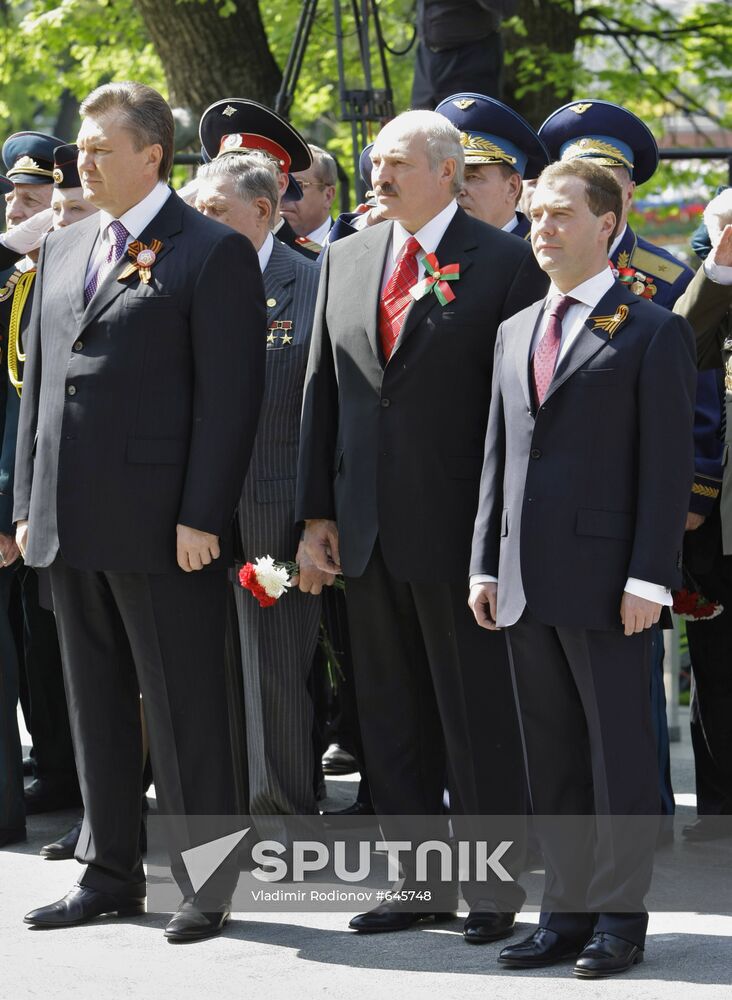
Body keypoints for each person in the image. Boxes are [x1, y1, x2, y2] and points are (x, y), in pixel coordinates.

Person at [15, 82, 266, 943]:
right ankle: (110, 870)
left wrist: (202, 514)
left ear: (153, 154)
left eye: (97, 148)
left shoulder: (209, 250)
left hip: (167, 527)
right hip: (69, 521)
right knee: (95, 703)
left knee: (189, 702)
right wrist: (25, 505)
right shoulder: (65, 245)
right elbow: (42, 390)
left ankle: (210, 879)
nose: (78, 162)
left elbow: (231, 402)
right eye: (80, 148)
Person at [297, 109, 548, 941]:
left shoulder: (508, 264)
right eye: (374, 163)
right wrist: (316, 515)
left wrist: (504, 537)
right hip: (364, 533)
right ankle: (416, 885)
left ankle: (490, 892)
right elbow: (321, 396)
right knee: (389, 717)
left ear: (446, 171)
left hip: (459, 534)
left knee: (474, 719)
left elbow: (523, 413)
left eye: (396, 163)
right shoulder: (346, 256)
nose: (379, 177)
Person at [469, 159, 696, 977]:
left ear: (609, 224)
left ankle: (619, 919)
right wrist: (484, 564)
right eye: (536, 215)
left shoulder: (651, 329)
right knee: (554, 760)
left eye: (562, 214)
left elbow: (667, 468)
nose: (544, 228)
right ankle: (562, 914)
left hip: (610, 585)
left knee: (619, 759)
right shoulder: (516, 328)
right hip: (524, 580)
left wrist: (649, 576)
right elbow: (498, 457)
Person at [538, 99, 715, 840]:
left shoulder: (663, 279)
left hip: (631, 513)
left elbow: (695, 393)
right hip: (549, 529)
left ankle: (634, 830)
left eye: (605, 176)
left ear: (623, 199)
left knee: (629, 688)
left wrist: (692, 492)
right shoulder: (533, 276)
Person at [195, 149, 328, 838]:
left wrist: (313, 522)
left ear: (263, 212)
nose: (201, 221)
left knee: (273, 674)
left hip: (273, 515)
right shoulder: (184, 279)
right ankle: (218, 819)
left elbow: (322, 414)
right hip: (195, 516)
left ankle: (280, 823)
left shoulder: (312, 283)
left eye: (214, 210)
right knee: (204, 672)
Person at [1, 134, 82, 852]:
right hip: (28, 498)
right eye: (20, 200)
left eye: (40, 200)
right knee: (37, 644)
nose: (24, 213)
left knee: (72, 644)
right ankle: (59, 766)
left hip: (74, 499)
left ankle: (93, 787)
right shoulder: (14, 279)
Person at [673, 193, 732, 839]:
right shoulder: (705, 295)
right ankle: (719, 808)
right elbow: (679, 347)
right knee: (718, 669)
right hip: (719, 521)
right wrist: (718, 274)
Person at [199, 98, 320, 260]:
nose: (235, 178)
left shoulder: (313, 261)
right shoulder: (200, 255)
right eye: (228, 169)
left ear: (281, 183)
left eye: (248, 171)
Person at [435, 92, 548, 237]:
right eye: (452, 177)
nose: (458, 189)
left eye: (473, 176)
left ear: (512, 187)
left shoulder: (541, 252)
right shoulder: (435, 248)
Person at [411, 0, 516, 110]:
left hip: (470, 59)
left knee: (470, 124)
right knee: (419, 124)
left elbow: (507, 7)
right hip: (426, 58)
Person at [281, 144, 337, 248]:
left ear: (328, 196)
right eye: (279, 185)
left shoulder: (348, 246)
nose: (283, 194)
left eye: (298, 185)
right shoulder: (261, 246)